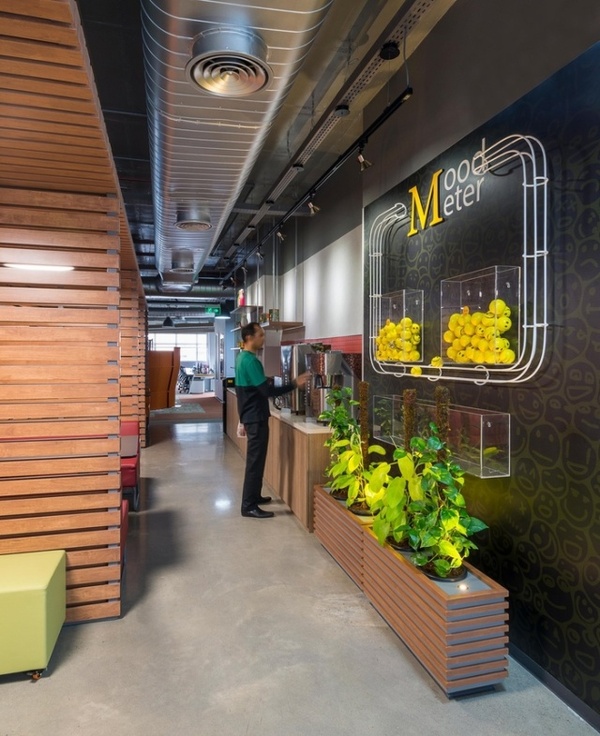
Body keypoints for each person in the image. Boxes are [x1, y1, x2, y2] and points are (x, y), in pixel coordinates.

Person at [235, 322, 308, 518]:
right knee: (255, 462)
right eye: (260, 335)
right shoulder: (251, 361)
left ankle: (254, 497)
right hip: (256, 417)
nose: (264, 338)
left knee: (257, 461)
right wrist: (294, 383)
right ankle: (248, 505)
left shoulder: (242, 358)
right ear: (249, 338)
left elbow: (255, 386)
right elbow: (266, 391)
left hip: (251, 416)